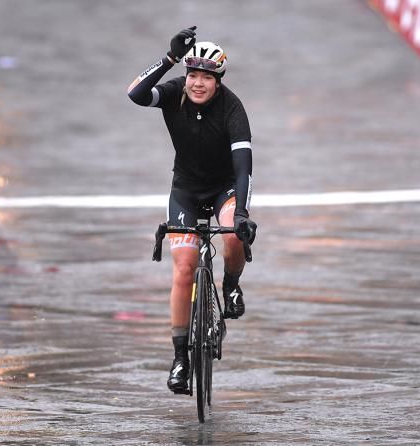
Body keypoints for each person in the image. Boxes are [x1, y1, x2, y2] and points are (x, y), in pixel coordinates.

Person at [127, 26, 257, 394]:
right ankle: (180, 358)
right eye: (193, 75)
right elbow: (136, 94)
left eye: (207, 77)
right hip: (185, 189)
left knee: (233, 235)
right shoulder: (174, 93)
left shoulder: (232, 109)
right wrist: (169, 59)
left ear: (218, 81)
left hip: (224, 188)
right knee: (184, 270)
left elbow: (244, 170)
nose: (198, 83)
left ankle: (230, 286)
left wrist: (242, 215)